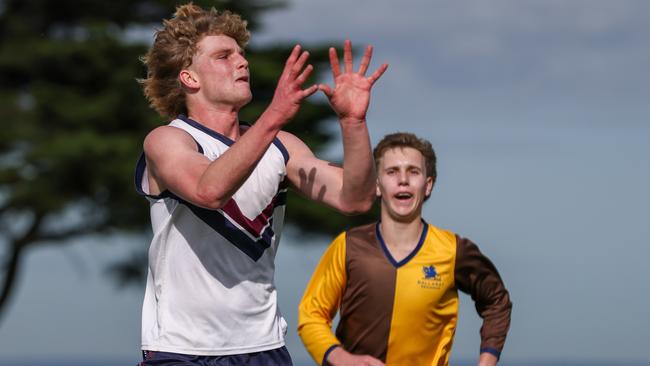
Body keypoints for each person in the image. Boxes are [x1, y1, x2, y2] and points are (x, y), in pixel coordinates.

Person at [133, 3, 387, 365]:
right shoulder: (167, 140)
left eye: (241, 53)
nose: (242, 62)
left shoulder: (282, 145)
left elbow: (355, 199)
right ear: (190, 78)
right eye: (224, 55)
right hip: (181, 349)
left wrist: (353, 123)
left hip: (263, 348)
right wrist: (275, 114)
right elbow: (209, 190)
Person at [298, 133, 512, 366]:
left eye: (413, 172)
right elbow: (311, 315)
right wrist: (340, 358)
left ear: (427, 185)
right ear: (377, 186)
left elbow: (496, 301)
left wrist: (487, 361)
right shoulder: (348, 246)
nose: (403, 180)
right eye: (392, 172)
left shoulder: (453, 250)